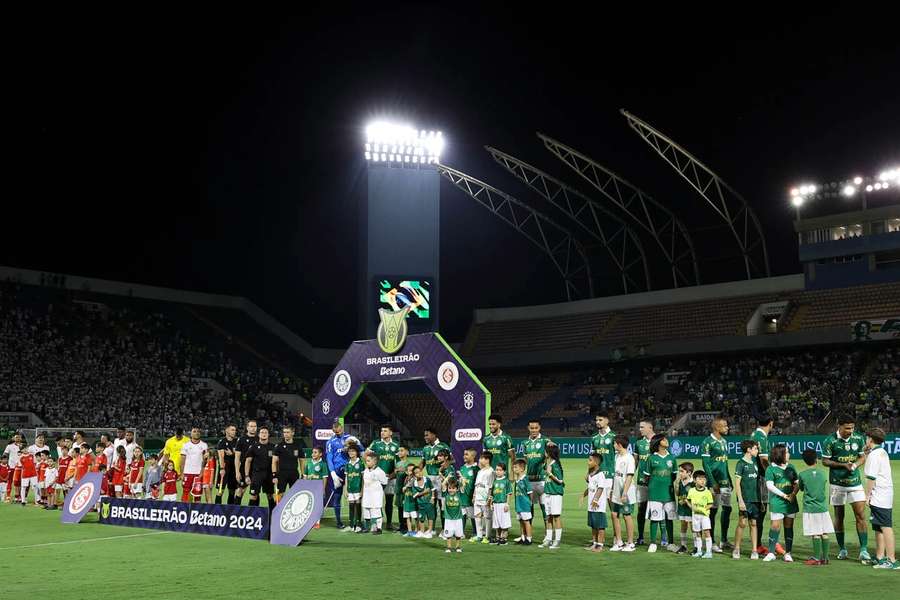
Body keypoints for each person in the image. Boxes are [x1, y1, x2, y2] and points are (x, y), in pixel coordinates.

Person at [821, 415, 870, 561]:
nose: (850, 431)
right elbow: (825, 461)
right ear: (839, 426)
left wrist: (854, 465)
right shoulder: (830, 441)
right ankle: (842, 549)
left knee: (860, 515)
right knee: (839, 516)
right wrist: (843, 465)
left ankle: (864, 549)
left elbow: (862, 457)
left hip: (855, 483)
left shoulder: (858, 438)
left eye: (852, 427)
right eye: (847, 428)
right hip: (837, 484)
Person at [863, 428, 897, 569]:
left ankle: (892, 560)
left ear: (870, 439)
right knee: (878, 526)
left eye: (867, 438)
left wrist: (867, 496)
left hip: (879, 495)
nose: (866, 440)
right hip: (884, 494)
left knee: (885, 527)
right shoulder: (880, 452)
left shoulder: (874, 455)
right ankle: (879, 557)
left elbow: (871, 478)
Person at [325, 419, 364, 530]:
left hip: (351, 471)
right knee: (337, 497)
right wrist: (332, 473)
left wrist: (358, 442)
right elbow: (329, 458)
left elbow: (361, 450)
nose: (337, 433)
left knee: (356, 497)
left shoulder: (350, 438)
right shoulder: (330, 442)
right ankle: (338, 522)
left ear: (341, 428)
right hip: (337, 473)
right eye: (335, 431)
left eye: (338, 431)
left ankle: (357, 522)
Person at [701, 417, 732, 552]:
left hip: (725, 482)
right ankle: (712, 541)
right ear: (716, 427)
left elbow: (724, 463)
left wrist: (729, 479)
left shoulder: (724, 441)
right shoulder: (707, 442)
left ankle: (724, 540)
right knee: (713, 511)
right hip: (714, 483)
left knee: (727, 509)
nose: (727, 428)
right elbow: (705, 464)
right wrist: (713, 482)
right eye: (724, 426)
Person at [797, 448, 833, 566]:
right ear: (816, 460)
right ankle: (826, 557)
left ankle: (816, 558)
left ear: (804, 460)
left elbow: (801, 488)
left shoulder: (802, 475)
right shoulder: (823, 474)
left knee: (815, 533)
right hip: (823, 508)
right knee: (824, 532)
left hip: (810, 508)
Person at [763, 444, 798, 563]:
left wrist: (793, 494)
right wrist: (784, 495)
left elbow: (796, 482)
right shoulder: (771, 468)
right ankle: (771, 552)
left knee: (789, 527)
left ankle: (788, 553)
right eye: (786, 452)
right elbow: (769, 486)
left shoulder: (791, 467)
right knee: (775, 526)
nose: (789, 454)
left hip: (790, 502)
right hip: (777, 502)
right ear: (780, 454)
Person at [642, 433, 677, 553]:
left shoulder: (672, 458)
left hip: (668, 493)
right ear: (658, 443)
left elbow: (674, 476)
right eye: (664, 439)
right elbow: (646, 476)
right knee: (655, 518)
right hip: (655, 493)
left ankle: (671, 543)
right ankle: (653, 543)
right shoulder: (651, 458)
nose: (667, 441)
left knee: (669, 518)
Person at [521, 420, 553, 536]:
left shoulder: (545, 441)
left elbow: (552, 453)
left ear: (539, 428)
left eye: (536, 428)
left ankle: (548, 535)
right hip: (529, 481)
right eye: (531, 428)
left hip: (541, 481)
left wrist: (548, 465)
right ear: (528, 428)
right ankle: (527, 535)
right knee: (529, 509)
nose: (534, 430)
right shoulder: (525, 443)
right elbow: (525, 461)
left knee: (545, 508)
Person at [733, 439, 761, 560]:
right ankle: (736, 548)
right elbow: (737, 484)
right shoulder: (740, 464)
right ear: (749, 450)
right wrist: (740, 501)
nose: (757, 451)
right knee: (742, 523)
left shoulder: (755, 462)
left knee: (754, 523)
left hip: (755, 499)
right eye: (755, 448)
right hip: (745, 499)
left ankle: (754, 550)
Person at [369, 424, 400, 530]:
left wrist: (392, 474)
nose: (382, 433)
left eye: (385, 431)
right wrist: (372, 470)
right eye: (381, 431)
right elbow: (366, 455)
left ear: (391, 433)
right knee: (376, 500)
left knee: (389, 501)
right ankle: (376, 523)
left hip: (390, 477)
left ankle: (389, 523)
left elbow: (399, 463)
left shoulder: (396, 445)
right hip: (377, 477)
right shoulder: (376, 443)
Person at [750, 415, 773, 554]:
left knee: (759, 511)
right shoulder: (762, 437)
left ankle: (757, 543)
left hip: (755, 477)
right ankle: (757, 545)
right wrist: (772, 475)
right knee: (761, 511)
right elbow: (764, 460)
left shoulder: (754, 434)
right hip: (761, 478)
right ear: (771, 423)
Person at [421, 427, 450, 524]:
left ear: (434, 435)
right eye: (425, 435)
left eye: (427, 435)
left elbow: (452, 459)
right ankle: (431, 529)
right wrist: (414, 473)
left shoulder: (443, 446)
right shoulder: (425, 448)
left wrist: (444, 466)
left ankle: (444, 528)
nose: (425, 437)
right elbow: (423, 463)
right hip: (429, 477)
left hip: (440, 478)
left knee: (442, 503)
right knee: (431, 503)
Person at [581, 452, 608, 552]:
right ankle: (594, 542)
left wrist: (596, 500)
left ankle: (600, 545)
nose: (588, 462)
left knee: (600, 525)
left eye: (590, 460)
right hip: (591, 505)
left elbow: (600, 488)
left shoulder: (600, 475)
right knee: (593, 525)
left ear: (596, 462)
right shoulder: (592, 474)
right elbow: (590, 487)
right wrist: (583, 495)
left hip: (598, 505)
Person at [245, 425, 275, 513]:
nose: (264, 434)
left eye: (266, 432)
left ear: (268, 435)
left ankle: (272, 516)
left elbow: (276, 462)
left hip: (269, 474)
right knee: (254, 495)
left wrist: (276, 475)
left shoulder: (273, 447)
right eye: (262, 432)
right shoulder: (253, 447)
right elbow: (248, 461)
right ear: (258, 434)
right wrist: (247, 475)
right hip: (257, 474)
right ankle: (251, 516)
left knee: (270, 495)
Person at [539, 444, 564, 549]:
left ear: (549, 453)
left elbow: (560, 480)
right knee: (548, 517)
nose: (544, 453)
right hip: (548, 493)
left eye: (545, 451)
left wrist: (550, 474)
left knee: (556, 517)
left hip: (555, 494)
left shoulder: (555, 465)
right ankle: (548, 539)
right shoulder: (548, 464)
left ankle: (557, 540)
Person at [634, 420, 654, 544]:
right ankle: (641, 536)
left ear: (650, 427)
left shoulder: (659, 441)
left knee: (658, 510)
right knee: (641, 509)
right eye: (639, 427)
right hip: (641, 481)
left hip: (655, 482)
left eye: (642, 427)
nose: (640, 429)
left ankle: (663, 538)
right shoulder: (639, 443)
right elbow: (635, 462)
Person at [687, 470, 715, 559]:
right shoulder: (691, 491)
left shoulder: (707, 492)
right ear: (694, 480)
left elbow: (710, 503)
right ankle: (699, 551)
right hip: (695, 516)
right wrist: (692, 507)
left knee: (707, 532)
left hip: (704, 516)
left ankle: (708, 552)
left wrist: (703, 509)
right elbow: (688, 500)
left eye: (704, 479)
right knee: (697, 533)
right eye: (700, 479)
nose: (703, 481)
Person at [590, 412, 616, 508]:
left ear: (607, 421)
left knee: (611, 501)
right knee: (597, 504)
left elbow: (618, 457)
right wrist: (589, 473)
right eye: (596, 420)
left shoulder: (614, 436)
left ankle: (616, 521)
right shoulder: (594, 438)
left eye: (600, 420)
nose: (597, 422)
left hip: (610, 474)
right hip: (597, 475)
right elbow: (592, 458)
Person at [272, 425, 303, 500]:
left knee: (295, 495)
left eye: (288, 432)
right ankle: (279, 510)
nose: (285, 434)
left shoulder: (298, 445)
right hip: (282, 474)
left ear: (293, 433)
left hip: (294, 473)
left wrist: (303, 474)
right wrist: (274, 475)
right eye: (284, 432)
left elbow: (302, 461)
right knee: (280, 495)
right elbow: (274, 462)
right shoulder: (279, 446)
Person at [179, 427, 208, 503]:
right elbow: (182, 460)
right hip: (187, 473)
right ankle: (184, 510)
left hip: (198, 474)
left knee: (197, 494)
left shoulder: (204, 445)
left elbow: (205, 461)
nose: (196, 433)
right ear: (191, 434)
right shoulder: (186, 445)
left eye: (198, 431)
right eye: (194, 431)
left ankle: (196, 511)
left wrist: (202, 472)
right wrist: (182, 473)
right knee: (186, 492)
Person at [362, 451, 388, 534]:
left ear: (375, 461)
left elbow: (384, 483)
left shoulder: (380, 472)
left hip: (375, 496)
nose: (367, 462)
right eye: (366, 461)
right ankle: (367, 527)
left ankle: (379, 528)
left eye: (369, 461)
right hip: (367, 495)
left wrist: (377, 491)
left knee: (376, 511)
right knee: (366, 510)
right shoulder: (366, 470)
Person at [234, 420, 259, 506]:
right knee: (240, 490)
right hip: (244, 469)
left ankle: (251, 512)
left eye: (255, 426)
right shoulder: (241, 439)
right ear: (247, 428)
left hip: (256, 469)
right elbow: (237, 457)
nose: (253, 428)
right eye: (251, 426)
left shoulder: (259, 439)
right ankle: (236, 511)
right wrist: (237, 472)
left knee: (255, 492)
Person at [472, 451, 494, 544]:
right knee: (477, 516)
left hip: (485, 498)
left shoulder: (491, 472)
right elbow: (476, 484)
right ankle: (479, 535)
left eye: (482, 458)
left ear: (487, 460)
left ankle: (487, 536)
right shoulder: (480, 471)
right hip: (478, 497)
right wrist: (474, 495)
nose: (480, 460)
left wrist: (489, 498)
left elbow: (491, 486)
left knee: (487, 517)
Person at [489, 463, 513, 545]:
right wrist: (491, 504)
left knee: (504, 522)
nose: (498, 472)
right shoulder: (495, 481)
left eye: (500, 470)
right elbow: (492, 494)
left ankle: (504, 538)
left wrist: (507, 504)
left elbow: (509, 494)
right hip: (496, 505)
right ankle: (497, 537)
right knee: (497, 522)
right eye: (497, 470)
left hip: (503, 505)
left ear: (504, 471)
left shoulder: (506, 481)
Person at [303, 447, 328, 529]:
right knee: (309, 505)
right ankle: (309, 521)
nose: (313, 454)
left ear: (320, 454)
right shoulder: (309, 463)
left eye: (315, 452)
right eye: (312, 452)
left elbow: (324, 478)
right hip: (309, 488)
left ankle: (317, 522)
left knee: (317, 505)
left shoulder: (323, 464)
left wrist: (323, 489)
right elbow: (305, 476)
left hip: (318, 488)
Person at [215, 424, 239, 505]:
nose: (234, 432)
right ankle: (217, 511)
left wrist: (232, 453)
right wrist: (222, 468)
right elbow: (221, 456)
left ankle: (230, 510)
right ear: (227, 431)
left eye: (235, 430)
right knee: (220, 490)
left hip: (233, 469)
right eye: (232, 430)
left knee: (232, 491)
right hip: (224, 469)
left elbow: (239, 455)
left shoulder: (237, 442)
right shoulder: (222, 442)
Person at [457, 448, 478, 539]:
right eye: (464, 454)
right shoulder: (462, 468)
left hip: (471, 497)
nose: (464, 456)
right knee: (462, 515)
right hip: (462, 496)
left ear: (473, 456)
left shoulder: (476, 469)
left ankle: (476, 533)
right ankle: (461, 533)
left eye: (466, 454)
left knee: (473, 516)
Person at [674, 462, 695, 554]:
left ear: (689, 473)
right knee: (683, 525)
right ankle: (683, 545)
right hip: (682, 508)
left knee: (693, 527)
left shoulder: (693, 483)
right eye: (679, 471)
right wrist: (677, 483)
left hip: (690, 508)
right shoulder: (680, 481)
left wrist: (687, 501)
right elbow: (677, 493)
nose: (680, 474)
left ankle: (696, 547)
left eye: (682, 471)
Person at [512, 459, 532, 545]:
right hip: (518, 504)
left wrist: (530, 502)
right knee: (520, 521)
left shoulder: (525, 479)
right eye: (513, 467)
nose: (514, 469)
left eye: (516, 467)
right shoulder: (517, 480)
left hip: (524, 504)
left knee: (526, 521)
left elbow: (530, 492)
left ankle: (529, 538)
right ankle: (523, 537)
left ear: (522, 469)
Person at [412, 464, 436, 538]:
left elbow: (432, 489)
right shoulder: (414, 483)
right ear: (414, 475)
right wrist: (425, 492)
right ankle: (421, 531)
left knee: (430, 517)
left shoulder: (427, 479)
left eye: (420, 471)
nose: (419, 473)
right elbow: (415, 495)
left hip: (429, 502)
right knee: (421, 517)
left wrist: (432, 497)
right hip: (420, 503)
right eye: (416, 472)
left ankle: (429, 531)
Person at [344, 445, 364, 532]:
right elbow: (346, 478)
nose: (351, 453)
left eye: (353, 451)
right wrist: (345, 489)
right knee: (351, 506)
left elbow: (363, 478)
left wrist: (362, 490)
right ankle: (351, 525)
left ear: (357, 452)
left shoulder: (361, 464)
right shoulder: (347, 464)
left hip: (358, 489)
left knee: (358, 506)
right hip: (350, 489)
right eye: (349, 451)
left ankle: (359, 524)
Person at [443, 479, 464, 553]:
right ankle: (448, 547)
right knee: (448, 534)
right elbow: (443, 485)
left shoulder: (459, 495)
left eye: (453, 488)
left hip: (458, 518)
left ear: (457, 489)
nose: (451, 490)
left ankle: (458, 547)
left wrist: (461, 478)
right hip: (448, 518)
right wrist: (446, 479)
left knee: (458, 534)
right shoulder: (446, 495)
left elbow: (462, 486)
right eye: (450, 488)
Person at [394, 446, 411, 533]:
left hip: (405, 490)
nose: (400, 452)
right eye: (399, 451)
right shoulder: (397, 463)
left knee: (406, 507)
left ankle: (407, 526)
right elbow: (395, 474)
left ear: (407, 452)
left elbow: (410, 475)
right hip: (398, 488)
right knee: (400, 507)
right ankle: (401, 525)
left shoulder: (409, 463)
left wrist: (404, 471)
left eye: (402, 450)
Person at [400, 463, 419, 537]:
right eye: (410, 471)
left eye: (413, 471)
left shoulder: (415, 479)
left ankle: (417, 531)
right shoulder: (406, 478)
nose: (412, 472)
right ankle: (410, 531)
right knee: (407, 517)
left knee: (415, 517)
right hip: (407, 500)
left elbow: (411, 484)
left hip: (413, 501)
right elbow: (404, 489)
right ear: (407, 472)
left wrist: (406, 487)